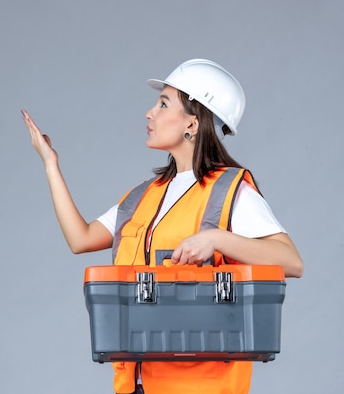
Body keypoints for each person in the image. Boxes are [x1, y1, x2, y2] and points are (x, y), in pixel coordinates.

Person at [21, 58, 304, 394]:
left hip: (200, 386)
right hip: (136, 384)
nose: (149, 113)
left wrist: (216, 238)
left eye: (164, 103)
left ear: (193, 124)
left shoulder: (229, 191)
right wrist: (51, 164)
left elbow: (291, 262)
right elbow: (79, 239)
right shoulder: (142, 197)